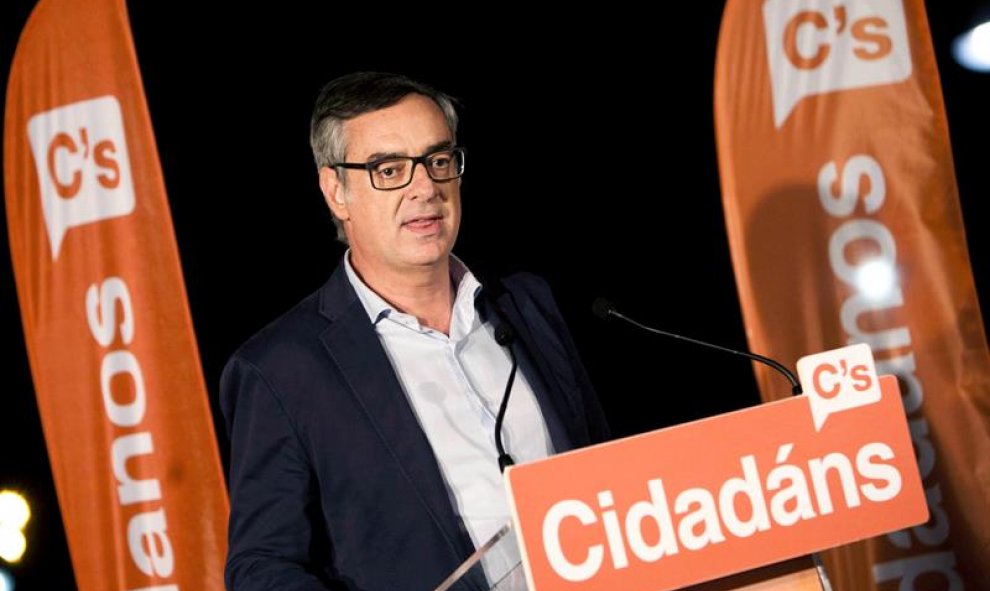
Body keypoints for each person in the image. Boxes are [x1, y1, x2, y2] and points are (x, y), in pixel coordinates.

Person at [220, 72, 609, 591]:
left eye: (437, 160)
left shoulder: (526, 304)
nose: (424, 187)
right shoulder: (281, 370)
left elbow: (608, 473)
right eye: (389, 169)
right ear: (336, 190)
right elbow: (261, 569)